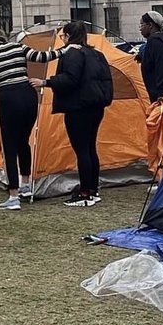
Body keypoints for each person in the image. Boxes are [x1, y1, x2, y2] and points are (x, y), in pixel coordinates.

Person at [0, 28, 64, 209]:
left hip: (8, 98)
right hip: (28, 96)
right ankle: (26, 185)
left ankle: (13, 196)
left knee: (9, 146)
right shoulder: (19, 47)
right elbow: (42, 57)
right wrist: (65, 50)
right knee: (23, 142)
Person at [30, 21, 111, 207]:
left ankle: (85, 194)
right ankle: (92, 189)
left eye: (62, 36)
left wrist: (45, 82)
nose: (61, 40)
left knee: (82, 150)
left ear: (67, 36)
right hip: (96, 106)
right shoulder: (97, 54)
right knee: (90, 148)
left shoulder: (72, 54)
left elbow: (70, 79)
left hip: (78, 108)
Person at [138, 11, 163, 102]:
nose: (140, 29)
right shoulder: (161, 40)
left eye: (142, 24)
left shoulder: (155, 42)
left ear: (150, 25)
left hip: (161, 98)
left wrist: (160, 96)